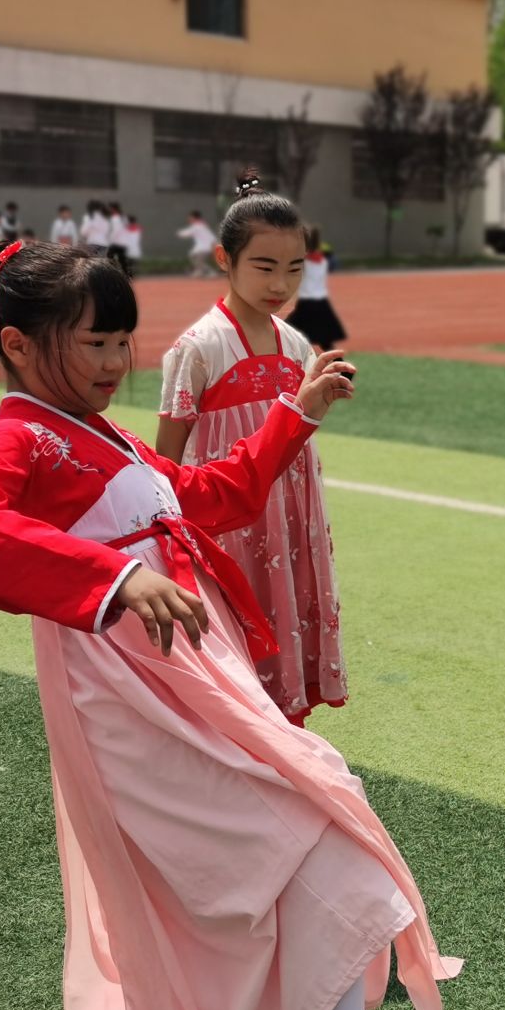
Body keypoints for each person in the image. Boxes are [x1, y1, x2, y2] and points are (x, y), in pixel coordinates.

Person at [0, 236, 460, 1010]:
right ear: (18, 345)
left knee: (275, 856)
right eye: (96, 343)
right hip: (131, 701)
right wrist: (114, 577)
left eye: (125, 342)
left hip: (193, 683)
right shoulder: (20, 437)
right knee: (304, 836)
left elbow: (199, 501)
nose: (118, 364)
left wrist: (295, 412)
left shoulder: (95, 432)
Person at [156, 178, 348, 725]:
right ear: (225, 258)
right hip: (229, 524)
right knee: (235, 641)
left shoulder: (296, 345)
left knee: (285, 621)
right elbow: (167, 462)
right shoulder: (198, 348)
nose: (280, 283)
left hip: (289, 520)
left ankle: (288, 735)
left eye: (294, 269)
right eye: (264, 266)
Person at [285, 224, 349, 353]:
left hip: (307, 304)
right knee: (324, 341)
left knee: (284, 331)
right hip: (321, 303)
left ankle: (289, 361)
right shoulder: (322, 261)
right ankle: (342, 367)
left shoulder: (304, 262)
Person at [179, 210, 216, 279]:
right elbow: (212, 237)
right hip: (204, 248)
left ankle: (210, 272)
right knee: (195, 258)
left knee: (198, 261)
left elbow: (186, 233)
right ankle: (199, 272)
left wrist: (179, 233)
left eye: (190, 217)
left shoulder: (197, 226)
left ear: (194, 217)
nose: (188, 219)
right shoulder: (203, 225)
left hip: (202, 249)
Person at [106, 202, 130, 277]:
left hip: (116, 242)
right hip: (123, 242)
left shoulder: (115, 218)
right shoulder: (123, 217)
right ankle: (127, 274)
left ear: (113, 209)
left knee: (109, 257)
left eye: (110, 208)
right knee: (122, 259)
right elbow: (127, 228)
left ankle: (111, 273)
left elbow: (115, 231)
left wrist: (110, 239)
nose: (109, 210)